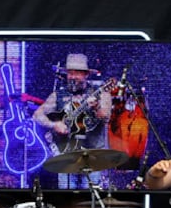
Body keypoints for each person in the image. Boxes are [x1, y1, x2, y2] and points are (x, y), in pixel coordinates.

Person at [33, 53, 113, 188]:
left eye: (77, 73)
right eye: (70, 73)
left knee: (90, 196)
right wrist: (54, 124)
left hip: (92, 156)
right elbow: (37, 115)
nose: (73, 77)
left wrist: (96, 107)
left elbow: (105, 117)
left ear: (86, 74)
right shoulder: (58, 95)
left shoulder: (102, 93)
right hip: (66, 156)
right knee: (66, 196)